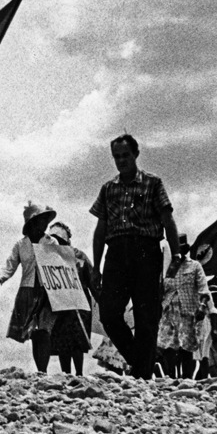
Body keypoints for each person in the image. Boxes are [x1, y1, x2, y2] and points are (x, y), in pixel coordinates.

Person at [90, 134, 181, 379]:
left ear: (135, 154)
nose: (121, 161)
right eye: (116, 156)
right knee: (109, 313)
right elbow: (100, 229)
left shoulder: (153, 183)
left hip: (146, 251)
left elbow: (167, 219)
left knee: (146, 316)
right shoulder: (108, 189)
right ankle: (142, 363)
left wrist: (177, 255)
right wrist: (96, 265)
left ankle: (142, 376)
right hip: (117, 253)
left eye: (125, 155)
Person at [0, 202, 58, 372]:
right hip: (28, 290)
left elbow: (60, 265)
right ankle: (40, 370)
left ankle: (42, 370)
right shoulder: (21, 244)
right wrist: (0, 278)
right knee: (34, 332)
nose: (44, 224)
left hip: (48, 291)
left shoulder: (52, 242)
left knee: (43, 330)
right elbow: (10, 264)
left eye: (45, 220)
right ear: (32, 223)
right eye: (40, 220)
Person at [157, 234, 209, 379]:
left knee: (186, 347)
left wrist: (203, 307)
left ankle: (186, 379)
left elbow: (204, 289)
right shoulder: (166, 267)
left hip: (188, 311)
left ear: (185, 250)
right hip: (168, 312)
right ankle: (171, 377)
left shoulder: (195, 266)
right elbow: (159, 290)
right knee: (168, 346)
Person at [44, 221, 93, 375]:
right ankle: (66, 374)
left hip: (80, 302)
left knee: (78, 339)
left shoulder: (79, 256)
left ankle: (79, 373)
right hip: (60, 302)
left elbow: (91, 278)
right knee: (62, 340)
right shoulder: (48, 257)